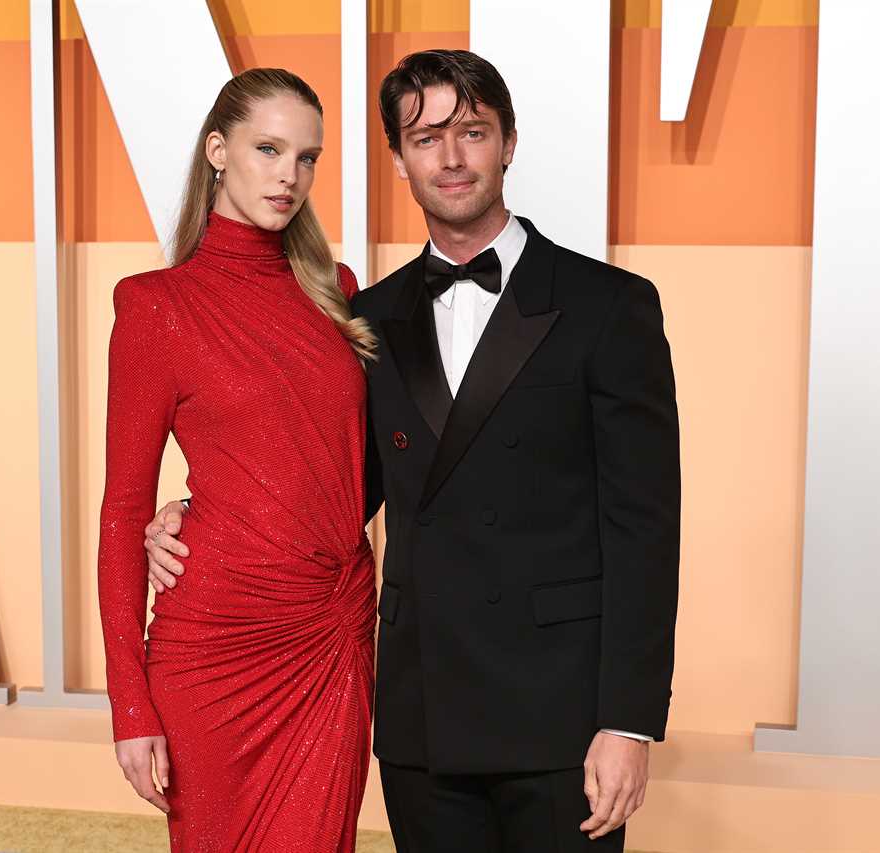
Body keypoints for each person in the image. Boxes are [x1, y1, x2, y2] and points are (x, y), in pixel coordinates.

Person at [145, 49, 680, 852]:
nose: (452, 157)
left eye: (472, 131)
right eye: (426, 138)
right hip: (422, 717)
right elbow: (334, 485)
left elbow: (647, 530)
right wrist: (197, 513)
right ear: (398, 158)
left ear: (508, 142)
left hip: (562, 721)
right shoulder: (370, 314)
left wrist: (628, 722)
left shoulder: (609, 305)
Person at [95, 67, 380, 853]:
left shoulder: (337, 292)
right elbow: (123, 509)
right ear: (218, 150)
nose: (290, 175)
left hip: (332, 633)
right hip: (215, 647)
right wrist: (130, 707)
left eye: (308, 156)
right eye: (268, 148)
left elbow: (357, 464)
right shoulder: (156, 306)